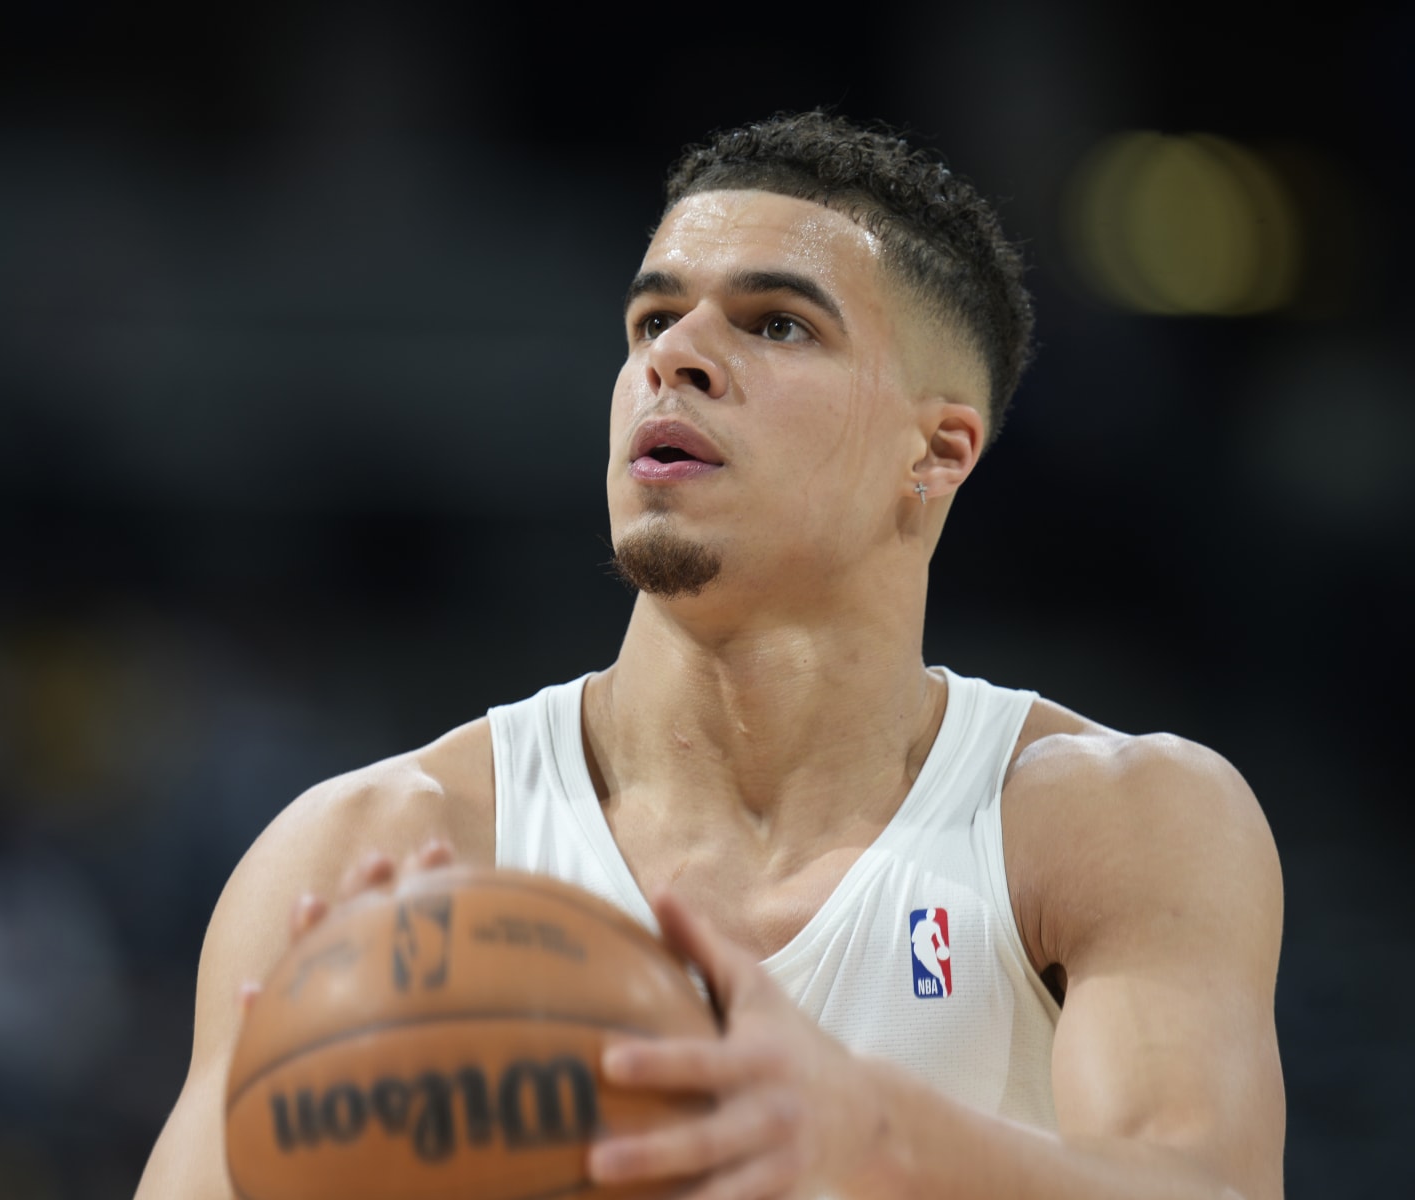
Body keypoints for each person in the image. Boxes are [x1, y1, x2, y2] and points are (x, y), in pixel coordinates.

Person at [135, 110, 1284, 1200]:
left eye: (777, 322)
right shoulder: (380, 848)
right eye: (652, 320)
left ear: (935, 452)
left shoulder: (1110, 821)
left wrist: (866, 1129)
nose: (676, 356)